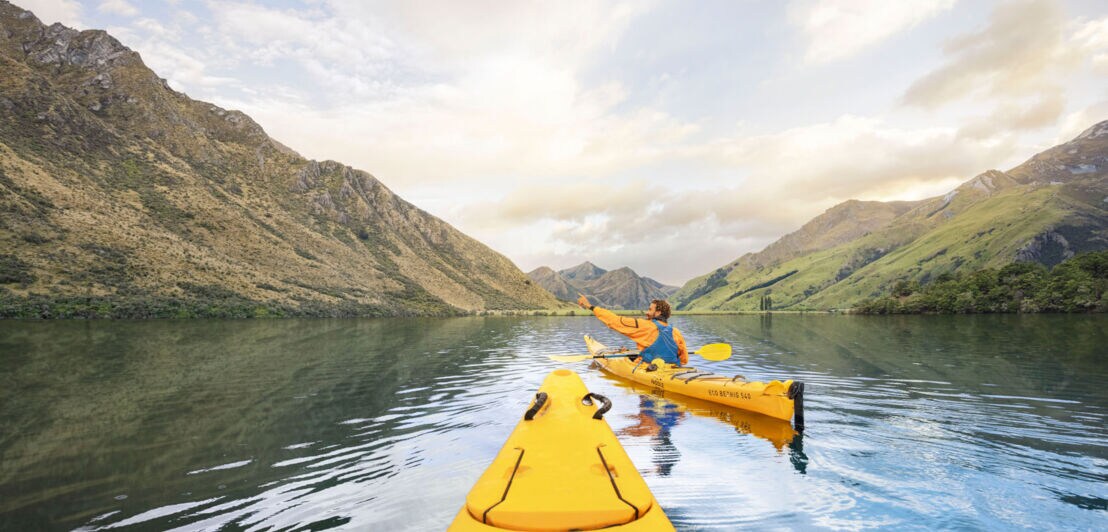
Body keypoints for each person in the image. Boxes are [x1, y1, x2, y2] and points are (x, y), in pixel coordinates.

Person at [576, 294, 689, 366]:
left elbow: (614, 320)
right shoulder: (676, 332)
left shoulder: (644, 325)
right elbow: (684, 360)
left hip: (648, 369)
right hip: (673, 369)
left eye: (650, 310)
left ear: (658, 313)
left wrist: (590, 306)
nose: (646, 312)